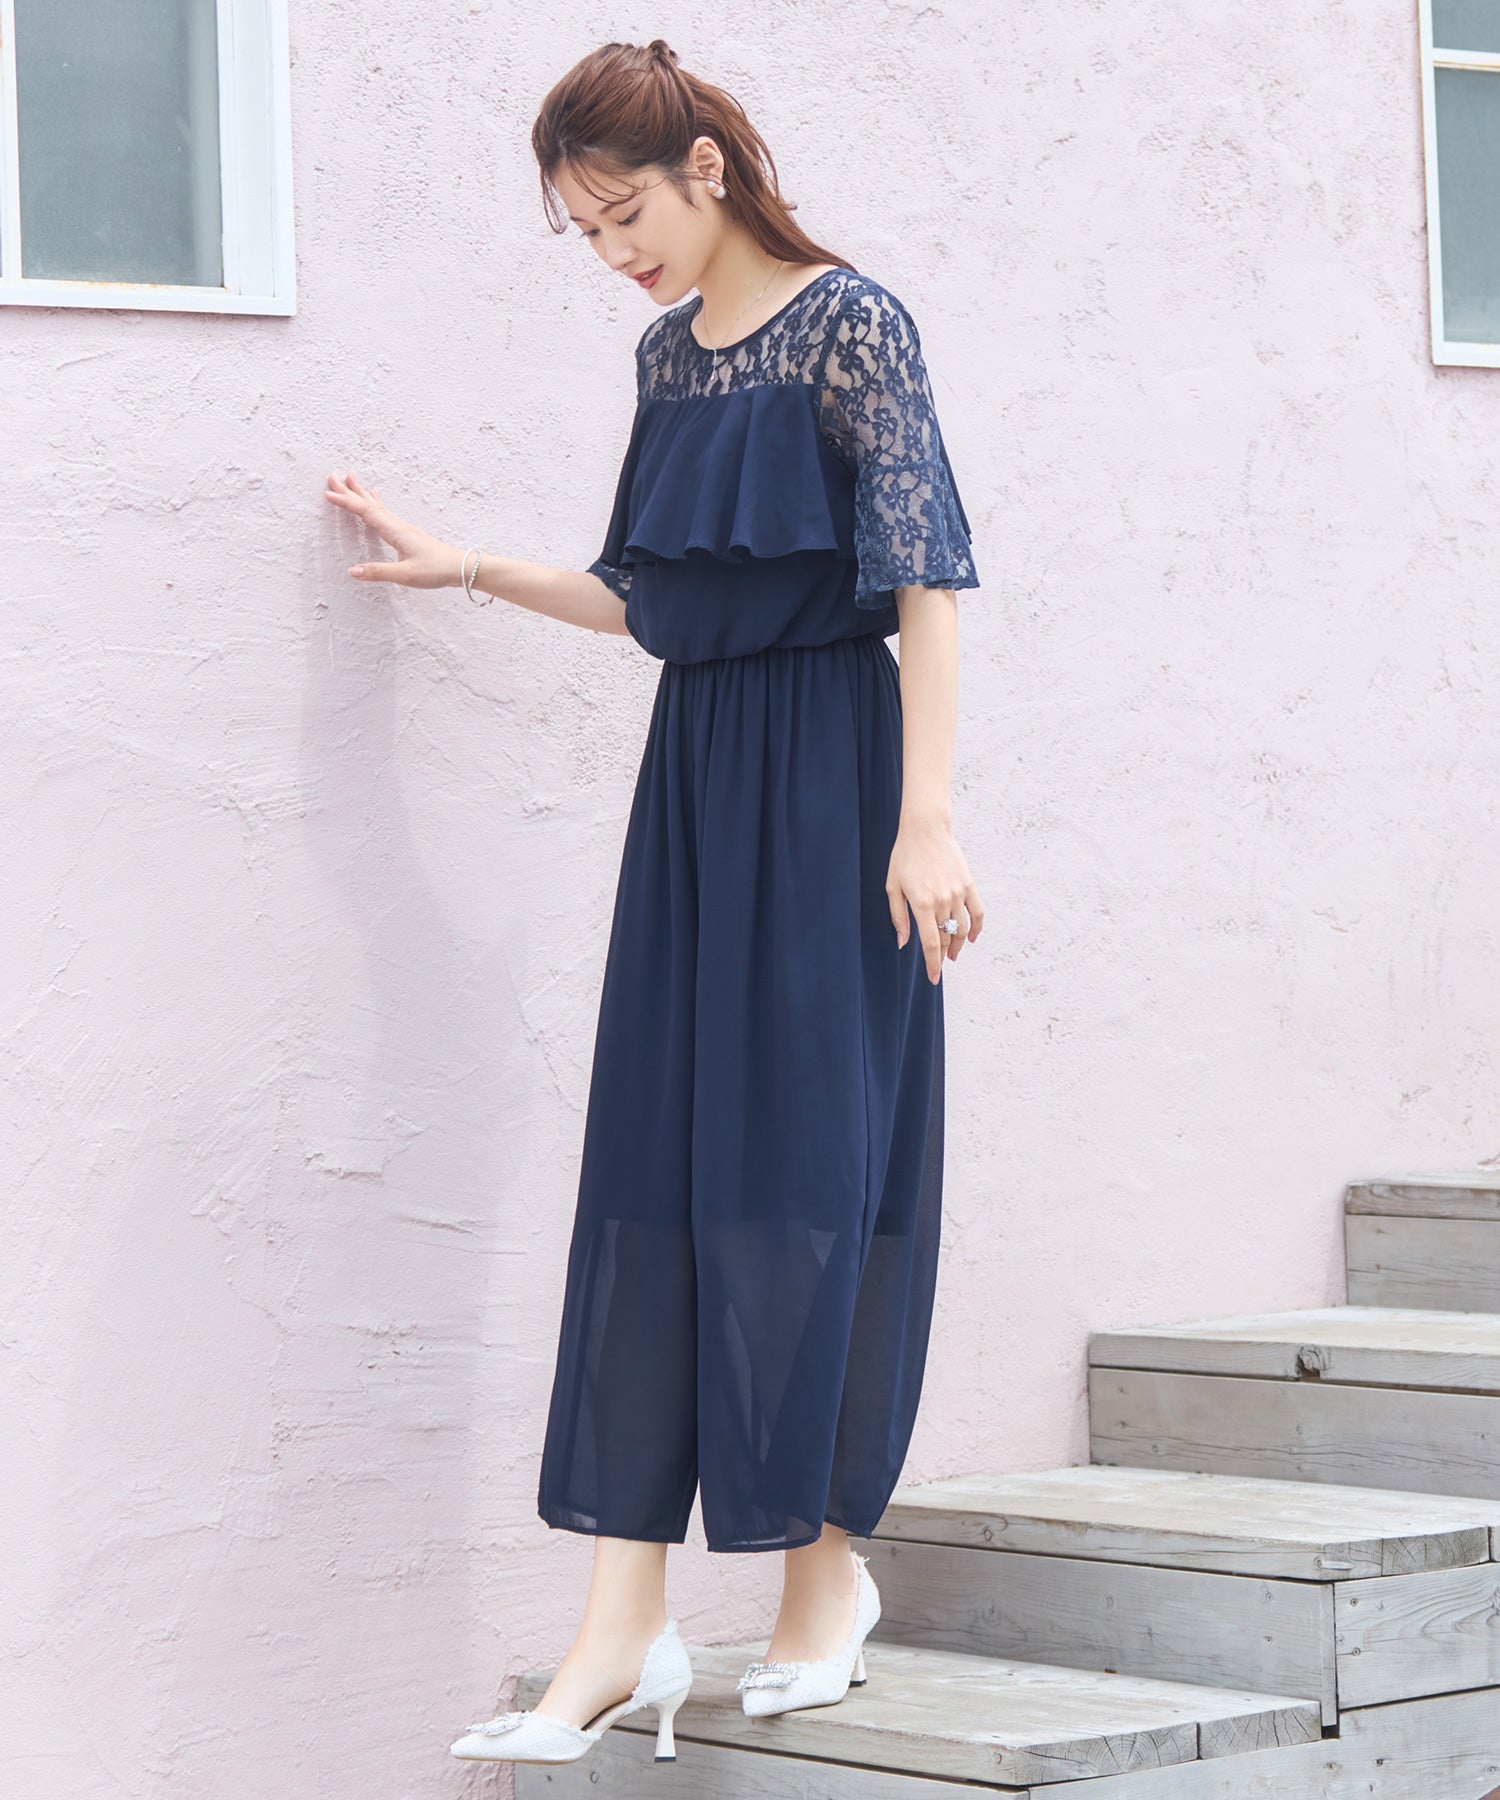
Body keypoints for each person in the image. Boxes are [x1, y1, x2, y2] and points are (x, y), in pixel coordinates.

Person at [322, 35, 983, 1772]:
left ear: (707, 168)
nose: (615, 252)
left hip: (839, 788)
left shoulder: (855, 325)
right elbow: (649, 601)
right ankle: (622, 1621)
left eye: (625, 214)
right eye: (586, 229)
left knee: (813, 1172)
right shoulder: (664, 358)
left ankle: (822, 1576)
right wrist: (465, 564)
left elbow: (924, 579)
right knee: (660, 1166)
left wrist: (925, 823)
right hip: (694, 791)